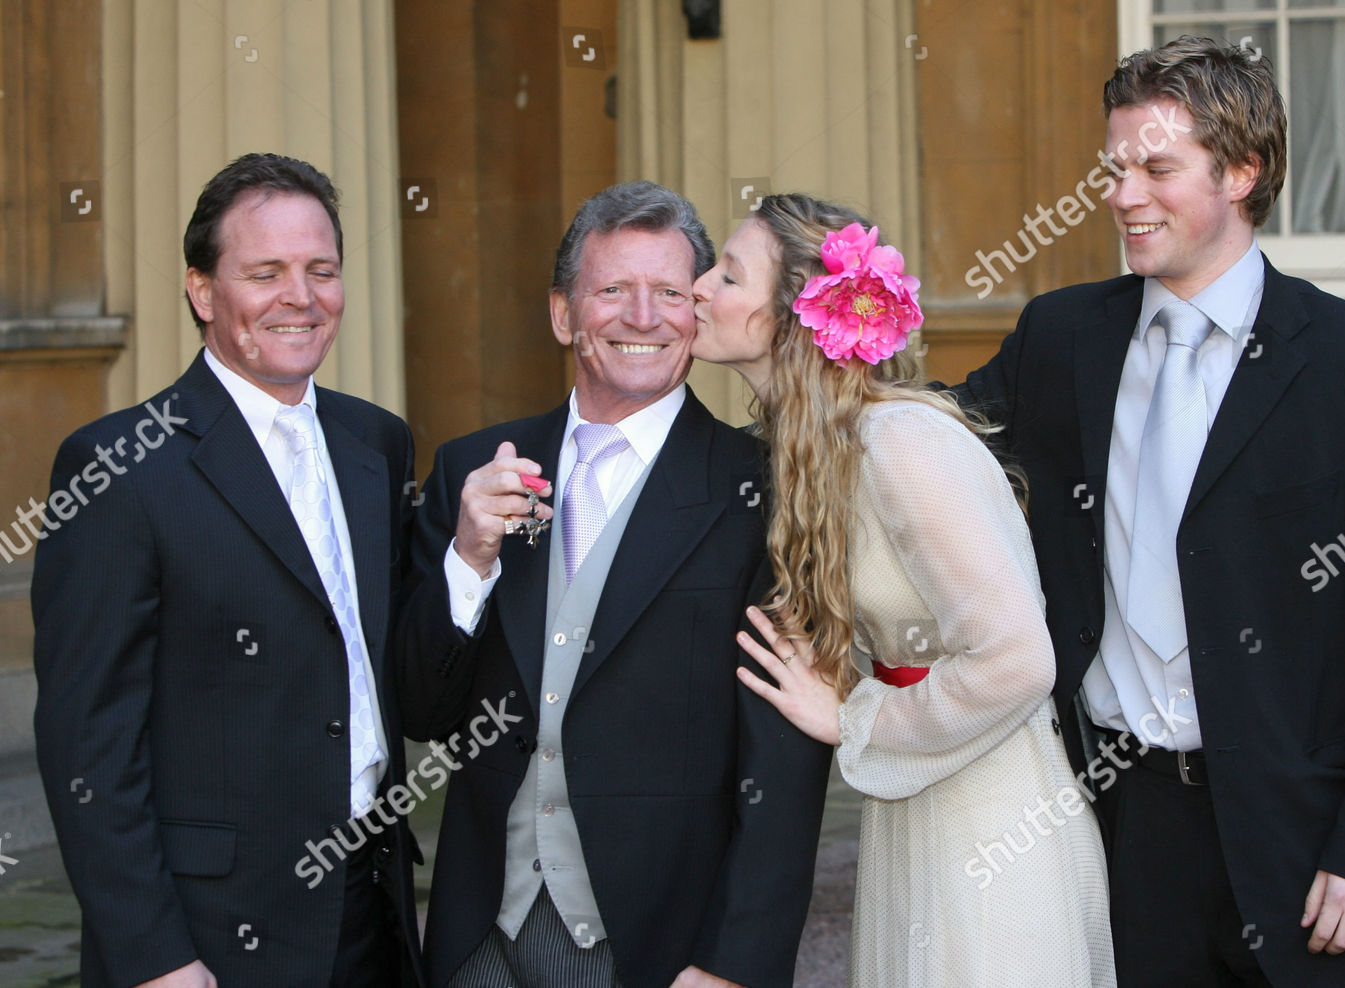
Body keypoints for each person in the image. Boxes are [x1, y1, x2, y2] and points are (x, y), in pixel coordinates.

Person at [954, 37, 1345, 987]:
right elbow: (933, 444)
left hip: (1310, 845)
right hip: (1116, 828)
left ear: (1242, 171)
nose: (1121, 194)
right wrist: (817, 339)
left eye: (1156, 168)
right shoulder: (1060, 338)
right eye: (1115, 168)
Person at [395, 180, 832, 988]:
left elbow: (783, 757)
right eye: (613, 291)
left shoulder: (761, 489)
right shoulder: (474, 468)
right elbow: (421, 709)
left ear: (698, 310)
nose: (643, 316)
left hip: (657, 946)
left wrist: (735, 962)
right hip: (477, 937)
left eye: (669, 291)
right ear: (564, 314)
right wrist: (469, 557)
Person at [690, 192, 1114, 986]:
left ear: (792, 317)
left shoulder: (901, 442)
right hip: (914, 804)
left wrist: (853, 715)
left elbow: (1019, 661)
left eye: (727, 276)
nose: (698, 288)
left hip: (994, 828)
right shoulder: (815, 450)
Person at [32, 153, 423, 987]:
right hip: (208, 932)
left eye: (322, 270)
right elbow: (87, 747)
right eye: (265, 272)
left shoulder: (376, 444)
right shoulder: (118, 469)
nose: (301, 296)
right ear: (204, 292)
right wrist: (153, 956)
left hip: (370, 911)